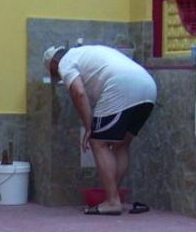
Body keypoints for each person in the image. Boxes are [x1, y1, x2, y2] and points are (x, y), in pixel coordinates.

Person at [44, 44, 157, 215]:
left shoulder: (65, 62)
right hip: (148, 87)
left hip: (121, 86)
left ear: (54, 62)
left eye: (54, 72)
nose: (58, 76)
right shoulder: (86, 52)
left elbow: (78, 92)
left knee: (98, 142)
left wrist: (89, 127)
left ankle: (112, 201)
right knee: (121, 144)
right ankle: (113, 196)